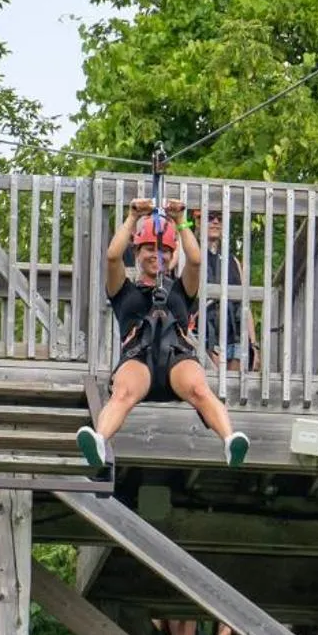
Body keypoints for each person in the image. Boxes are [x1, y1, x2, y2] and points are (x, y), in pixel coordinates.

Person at [77, 200, 249, 473]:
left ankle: (229, 439)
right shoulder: (124, 291)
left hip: (176, 358)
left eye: (165, 251)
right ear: (137, 252)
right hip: (139, 359)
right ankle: (100, 439)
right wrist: (133, 217)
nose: (157, 255)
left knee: (200, 389)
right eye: (149, 248)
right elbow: (112, 256)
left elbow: (195, 259)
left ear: (171, 256)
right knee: (122, 393)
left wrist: (181, 221)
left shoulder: (181, 291)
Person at [197, 208, 258, 372]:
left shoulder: (234, 261)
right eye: (210, 217)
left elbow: (245, 304)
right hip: (204, 332)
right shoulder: (191, 255)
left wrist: (254, 344)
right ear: (198, 221)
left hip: (234, 333)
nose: (215, 222)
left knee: (234, 391)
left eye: (220, 218)